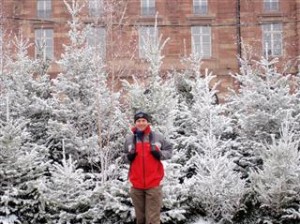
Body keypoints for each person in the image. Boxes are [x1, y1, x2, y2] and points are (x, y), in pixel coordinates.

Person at [123, 111, 172, 224]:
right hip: (136, 185)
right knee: (140, 219)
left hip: (154, 184)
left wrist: (160, 154)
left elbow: (169, 150)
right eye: (138, 121)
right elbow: (124, 157)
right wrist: (129, 156)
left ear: (148, 122)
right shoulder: (129, 140)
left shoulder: (158, 137)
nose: (141, 123)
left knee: (152, 220)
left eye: (143, 120)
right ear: (135, 123)